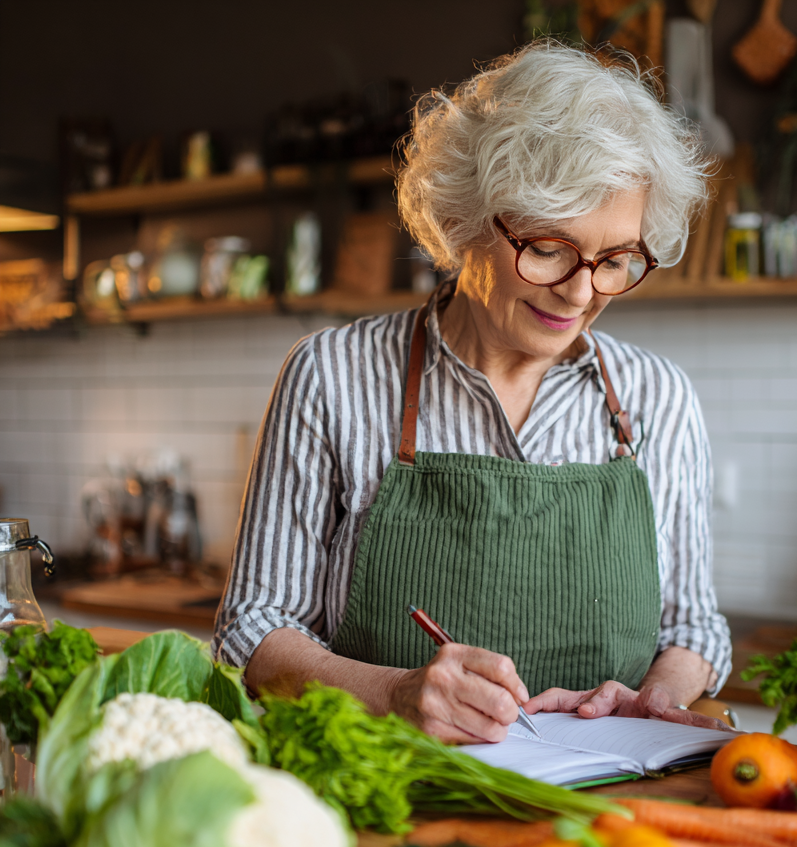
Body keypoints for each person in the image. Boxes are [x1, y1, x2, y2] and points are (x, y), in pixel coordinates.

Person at [213, 41, 732, 744]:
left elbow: (694, 627)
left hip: (604, 817)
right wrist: (393, 692)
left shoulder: (658, 398)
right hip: (386, 790)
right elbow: (252, 628)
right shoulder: (332, 375)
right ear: (465, 218)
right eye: (549, 248)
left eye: (615, 260)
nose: (582, 292)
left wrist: (658, 697)